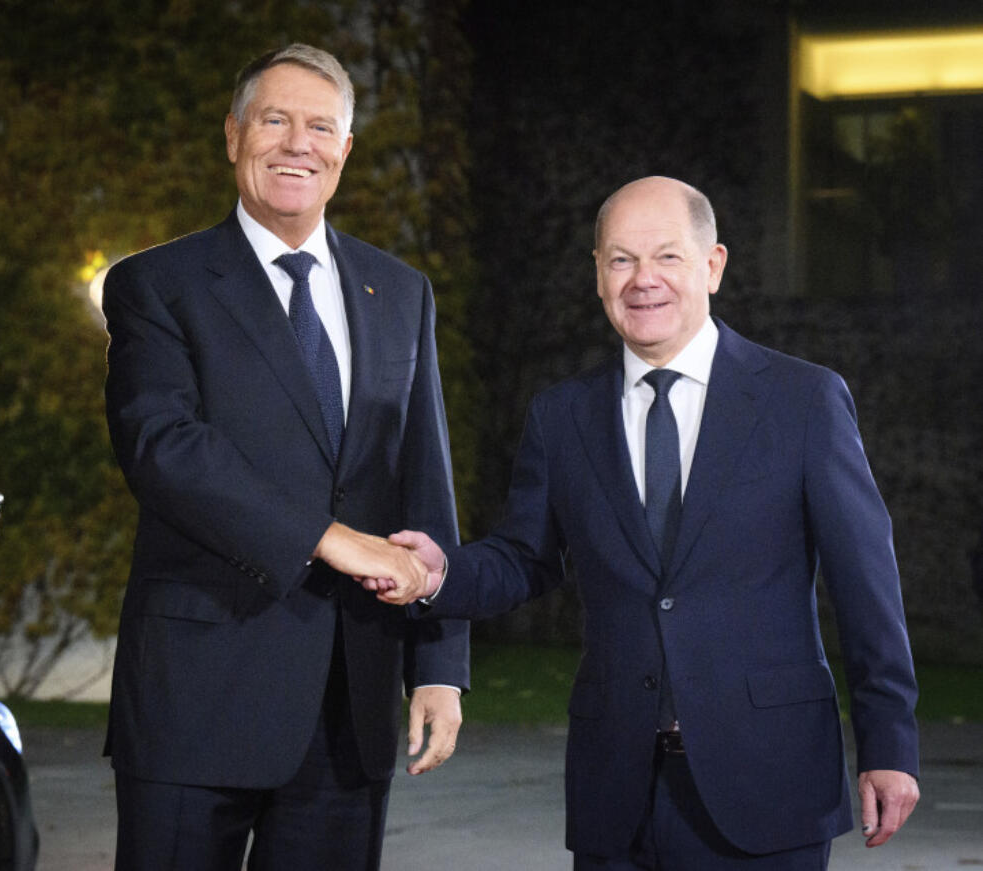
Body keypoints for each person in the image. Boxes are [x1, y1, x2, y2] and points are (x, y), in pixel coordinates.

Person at [366, 176, 920, 869]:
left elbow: (866, 583)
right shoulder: (562, 415)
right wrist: (439, 572)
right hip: (616, 787)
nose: (642, 280)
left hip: (767, 780)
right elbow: (524, 558)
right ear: (597, 272)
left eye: (667, 257)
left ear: (713, 265)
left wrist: (890, 745)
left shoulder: (802, 400)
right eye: (621, 259)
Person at [101, 43, 468, 871]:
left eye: (321, 126)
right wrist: (331, 537)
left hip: (348, 710)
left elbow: (425, 488)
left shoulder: (399, 292)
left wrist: (441, 663)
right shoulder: (158, 285)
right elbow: (164, 449)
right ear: (233, 136)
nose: (297, 142)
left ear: (344, 150)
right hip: (195, 699)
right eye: (275, 120)